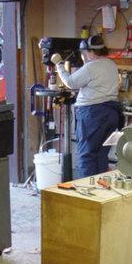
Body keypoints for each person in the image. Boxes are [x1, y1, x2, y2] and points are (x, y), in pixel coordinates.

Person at [51, 35, 122, 178]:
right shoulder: (111, 65)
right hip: (112, 113)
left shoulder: (91, 67)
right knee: (101, 155)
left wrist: (59, 64)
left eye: (84, 54)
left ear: (90, 52)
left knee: (86, 155)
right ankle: (100, 191)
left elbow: (71, 82)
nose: (84, 57)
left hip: (93, 114)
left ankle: (86, 195)